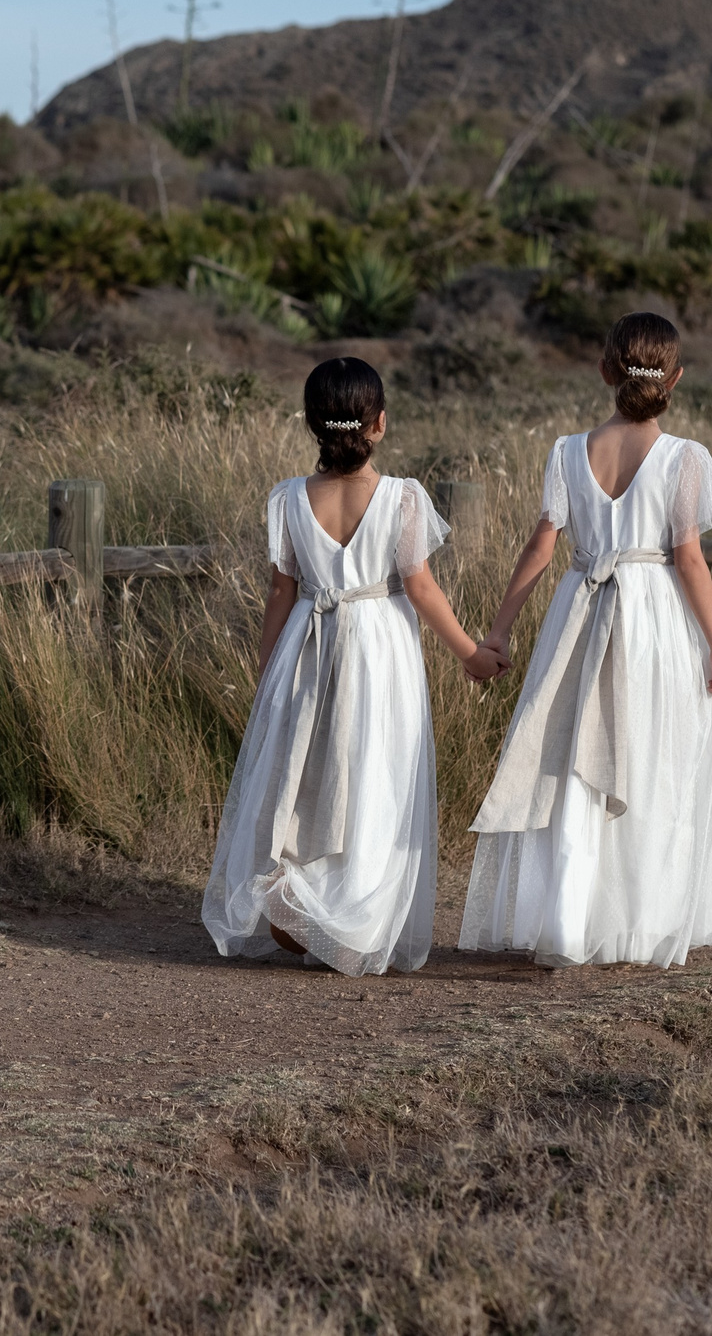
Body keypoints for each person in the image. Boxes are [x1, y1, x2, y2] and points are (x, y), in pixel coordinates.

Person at [459, 311, 712, 969]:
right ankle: (637, 918)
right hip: (651, 619)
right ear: (676, 377)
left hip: (580, 610)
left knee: (574, 757)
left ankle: (569, 913)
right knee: (647, 755)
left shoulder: (567, 451)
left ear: (605, 370)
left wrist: (500, 629)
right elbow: (690, 558)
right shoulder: (684, 459)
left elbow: (541, 544)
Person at [203, 357, 504, 974]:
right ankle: (353, 914)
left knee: (308, 770)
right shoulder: (403, 499)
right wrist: (470, 652)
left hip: (305, 646)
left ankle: (304, 892)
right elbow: (419, 587)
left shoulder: (287, 499)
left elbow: (280, 593)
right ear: (380, 424)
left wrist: (270, 678)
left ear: (312, 424)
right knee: (374, 770)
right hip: (378, 650)